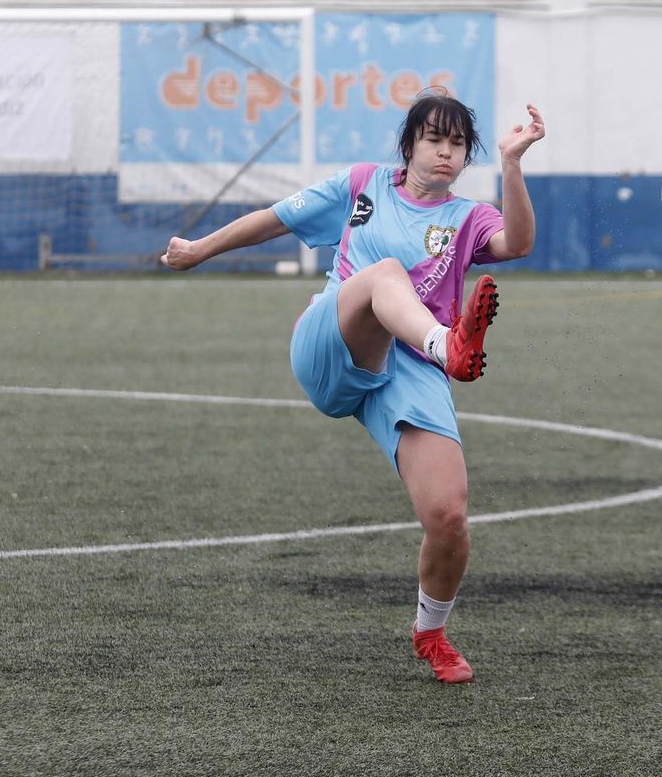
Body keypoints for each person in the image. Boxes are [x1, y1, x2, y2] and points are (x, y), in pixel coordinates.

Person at [160, 92, 547, 685]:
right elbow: (275, 218)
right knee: (384, 276)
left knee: (448, 517)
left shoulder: (467, 217)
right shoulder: (363, 185)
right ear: (409, 144)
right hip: (330, 342)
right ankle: (449, 344)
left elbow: (517, 245)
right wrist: (199, 249)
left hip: (408, 367)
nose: (445, 152)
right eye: (433, 139)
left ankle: (431, 633)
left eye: (458, 144)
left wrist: (514, 165)